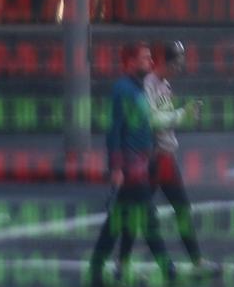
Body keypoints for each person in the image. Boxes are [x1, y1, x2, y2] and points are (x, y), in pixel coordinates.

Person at [115, 40, 213, 281]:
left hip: (165, 155)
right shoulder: (147, 85)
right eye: (178, 61)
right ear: (166, 62)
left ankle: (195, 260)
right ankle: (124, 264)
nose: (181, 66)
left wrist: (187, 116)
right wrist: (182, 114)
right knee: (142, 212)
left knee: (178, 208)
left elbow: (167, 120)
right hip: (152, 159)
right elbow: (153, 121)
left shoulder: (164, 85)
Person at [89, 42, 177, 287]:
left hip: (142, 163)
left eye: (150, 57)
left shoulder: (138, 89)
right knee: (147, 219)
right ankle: (167, 268)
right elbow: (114, 130)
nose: (149, 62)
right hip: (131, 166)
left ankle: (97, 268)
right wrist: (116, 168)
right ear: (129, 62)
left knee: (116, 221)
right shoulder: (123, 90)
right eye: (144, 58)